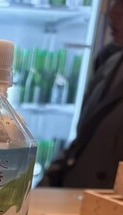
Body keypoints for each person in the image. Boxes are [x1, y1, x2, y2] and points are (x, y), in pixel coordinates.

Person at [39, 0, 123, 189]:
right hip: (76, 194)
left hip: (106, 202)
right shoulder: (110, 62)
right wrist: (49, 180)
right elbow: (82, 139)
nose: (113, 14)